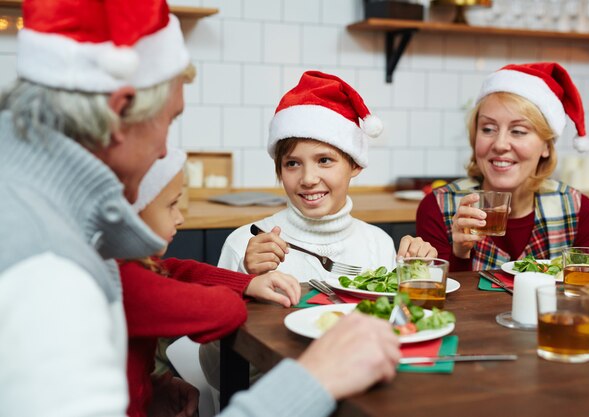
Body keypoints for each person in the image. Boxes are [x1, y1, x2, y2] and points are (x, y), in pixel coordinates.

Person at [0, 2, 401, 416]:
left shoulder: (44, 221)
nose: (163, 150)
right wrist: (315, 380)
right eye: (170, 121)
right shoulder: (47, 269)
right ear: (120, 113)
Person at [122, 147, 301, 417]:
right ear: (131, 214)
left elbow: (173, 270)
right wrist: (238, 289)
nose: (180, 217)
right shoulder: (127, 283)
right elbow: (225, 312)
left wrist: (245, 283)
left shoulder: (128, 264)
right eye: (171, 205)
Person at [219, 71, 436, 279]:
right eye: (292, 163)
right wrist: (245, 275)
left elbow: (395, 313)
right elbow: (225, 314)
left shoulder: (379, 245)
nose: (308, 179)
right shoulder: (243, 245)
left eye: (324, 160)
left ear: (355, 164)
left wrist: (417, 271)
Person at [415, 62, 589, 272]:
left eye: (518, 131)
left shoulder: (577, 210)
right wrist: (460, 252)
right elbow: (434, 301)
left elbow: (587, 292)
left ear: (546, 146)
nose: (500, 144)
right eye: (488, 128)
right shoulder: (438, 208)